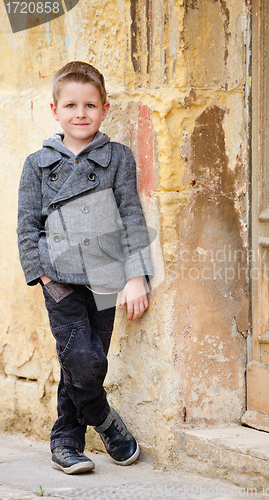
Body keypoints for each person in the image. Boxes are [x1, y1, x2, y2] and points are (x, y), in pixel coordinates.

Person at [17, 61, 154, 475]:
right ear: (55, 109)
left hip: (106, 275)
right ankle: (105, 420)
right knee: (84, 361)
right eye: (72, 105)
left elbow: (131, 217)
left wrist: (135, 276)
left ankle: (66, 443)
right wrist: (40, 271)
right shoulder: (36, 163)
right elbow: (26, 225)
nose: (81, 113)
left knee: (82, 361)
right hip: (57, 277)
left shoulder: (117, 158)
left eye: (90, 105)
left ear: (105, 109)